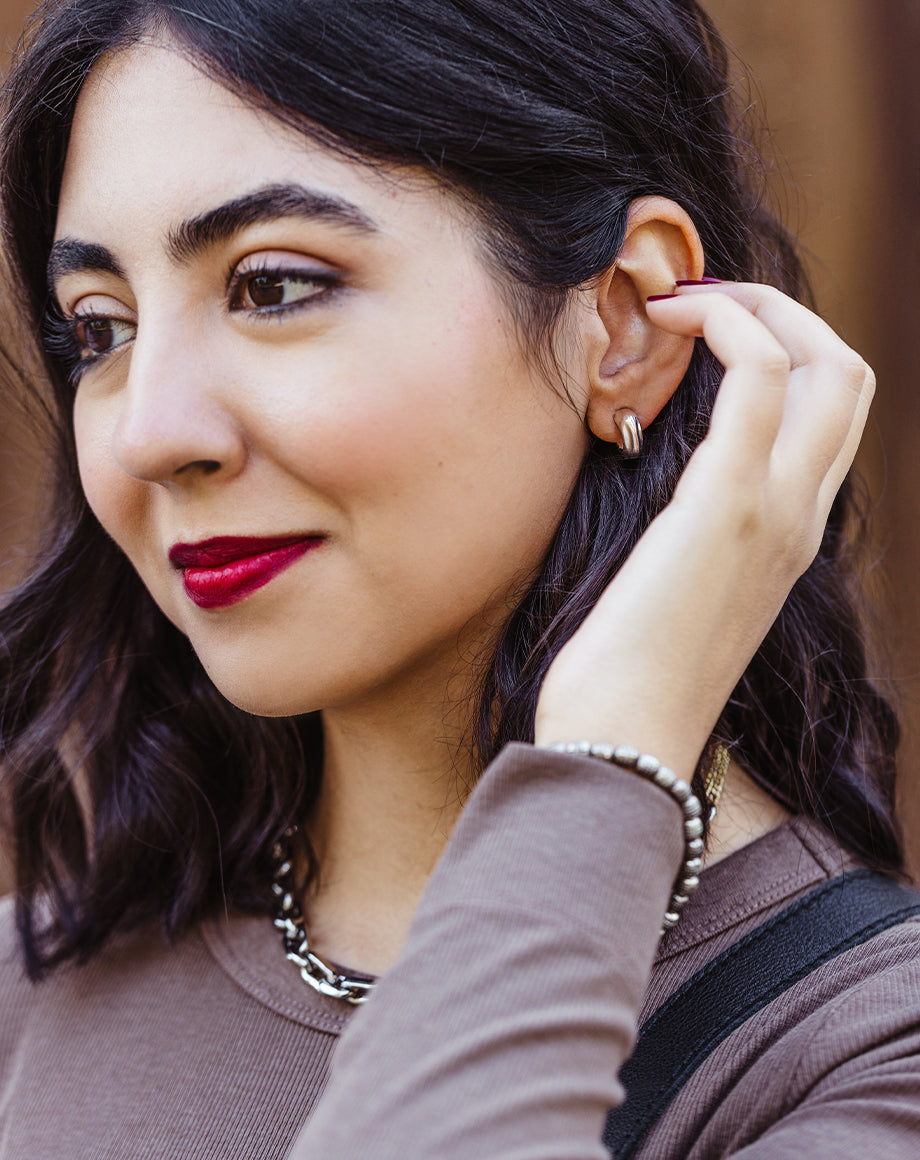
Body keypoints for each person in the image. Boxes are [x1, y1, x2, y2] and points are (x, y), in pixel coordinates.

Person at [0, 1, 917, 1157]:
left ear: (624, 322)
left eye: (273, 285)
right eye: (101, 328)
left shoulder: (860, 1053)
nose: (147, 432)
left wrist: (602, 761)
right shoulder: (33, 1000)